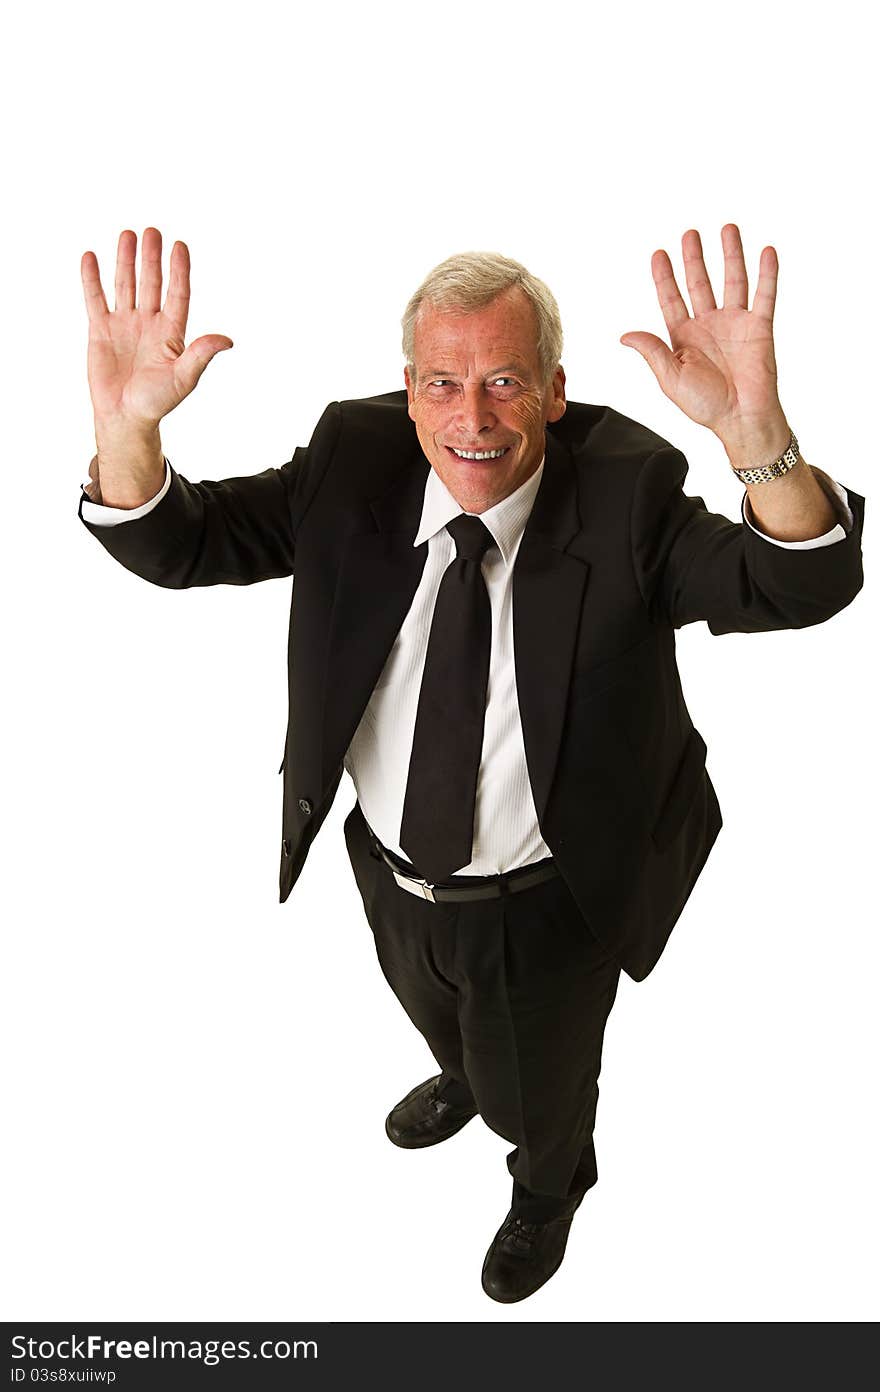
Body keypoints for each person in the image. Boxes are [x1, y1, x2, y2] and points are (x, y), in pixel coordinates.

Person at [77, 225, 865, 1304]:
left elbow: (795, 587)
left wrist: (756, 438)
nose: (473, 416)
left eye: (504, 380)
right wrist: (126, 434)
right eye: (443, 382)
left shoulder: (625, 493)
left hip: (549, 897)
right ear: (408, 393)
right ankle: (463, 1069)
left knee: (538, 1089)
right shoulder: (355, 462)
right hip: (391, 865)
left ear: (552, 390)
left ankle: (550, 1184)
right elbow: (182, 543)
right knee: (435, 1008)